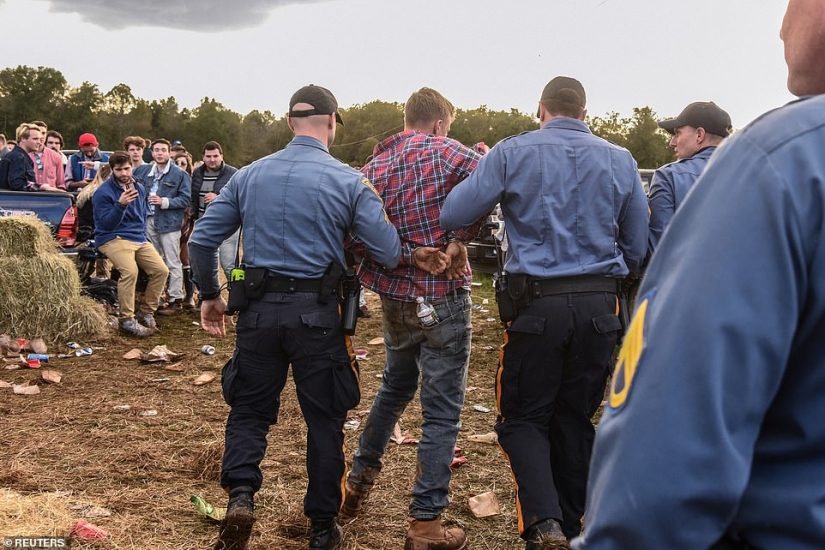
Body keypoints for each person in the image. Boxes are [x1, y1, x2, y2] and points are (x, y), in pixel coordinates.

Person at [571, 2, 825, 548]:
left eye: (678, 131)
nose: (783, 24)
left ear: (701, 134)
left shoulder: (777, 158)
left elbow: (669, 436)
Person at [188, 85, 403, 550]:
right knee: (324, 420)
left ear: (290, 122)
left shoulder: (247, 176)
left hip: (258, 313)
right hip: (318, 316)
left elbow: (201, 241)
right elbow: (389, 252)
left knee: (249, 411)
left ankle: (241, 498)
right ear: (332, 122)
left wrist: (209, 295)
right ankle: (322, 526)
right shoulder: (350, 181)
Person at [441, 76, 648, 546]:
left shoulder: (512, 152)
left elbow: (454, 214)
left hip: (538, 305)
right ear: (585, 113)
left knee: (523, 418)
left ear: (541, 109)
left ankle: (544, 523)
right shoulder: (621, 159)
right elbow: (637, 245)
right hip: (601, 307)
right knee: (574, 419)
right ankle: (571, 530)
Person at [342, 87, 486, 550]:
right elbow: (492, 181)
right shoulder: (448, 152)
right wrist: (460, 237)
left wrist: (405, 253)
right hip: (444, 296)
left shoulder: (373, 168)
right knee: (441, 410)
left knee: (394, 387)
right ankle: (425, 525)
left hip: (397, 299)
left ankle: (354, 485)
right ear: (440, 123)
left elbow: (353, 234)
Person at [92, 151, 168, 337]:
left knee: (161, 270)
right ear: (112, 170)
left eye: (126, 168)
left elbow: (141, 216)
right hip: (112, 237)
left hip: (137, 237)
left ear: (132, 167)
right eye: (119, 170)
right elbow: (106, 224)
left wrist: (142, 236)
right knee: (130, 271)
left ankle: (146, 312)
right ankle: (126, 320)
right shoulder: (102, 192)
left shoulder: (139, 188)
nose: (124, 173)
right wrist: (120, 205)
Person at [647, 101, 731, 256]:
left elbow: (659, 250)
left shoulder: (668, 176)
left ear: (699, 135)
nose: (672, 142)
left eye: (677, 133)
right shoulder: (753, 173)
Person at [134, 138, 191, 315]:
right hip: (147, 220)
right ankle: (156, 297)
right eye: (157, 150)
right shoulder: (143, 171)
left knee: (172, 261)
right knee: (154, 262)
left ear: (169, 153)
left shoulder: (179, 174)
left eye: (163, 150)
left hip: (169, 221)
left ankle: (175, 299)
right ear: (152, 153)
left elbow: (185, 199)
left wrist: (164, 201)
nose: (160, 153)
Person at [190, 141, 239, 287]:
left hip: (228, 226)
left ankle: (236, 294)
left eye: (215, 156)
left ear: (222, 156)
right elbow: (192, 196)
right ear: (203, 157)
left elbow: (239, 198)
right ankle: (211, 294)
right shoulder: (197, 173)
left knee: (229, 264)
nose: (212, 159)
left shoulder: (233, 173)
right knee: (207, 265)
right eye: (208, 156)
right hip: (203, 224)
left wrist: (218, 197)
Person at [172, 149, 197, 309]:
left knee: (185, 258)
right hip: (171, 221)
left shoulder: (192, 181)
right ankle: (173, 293)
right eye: (177, 163)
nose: (180, 165)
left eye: (183, 163)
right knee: (171, 258)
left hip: (188, 221)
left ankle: (189, 295)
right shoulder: (169, 179)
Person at [0, 124, 49, 191]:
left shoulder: (14, 155)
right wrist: (41, 187)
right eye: (35, 139)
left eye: (40, 139)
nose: (39, 142)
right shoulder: (19, 157)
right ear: (23, 139)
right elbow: (17, 183)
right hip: (15, 197)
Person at [30, 121, 66, 191]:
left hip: (51, 196)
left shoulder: (56, 157)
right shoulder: (24, 156)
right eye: (38, 133)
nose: (41, 136)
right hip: (29, 195)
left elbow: (60, 184)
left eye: (43, 133)